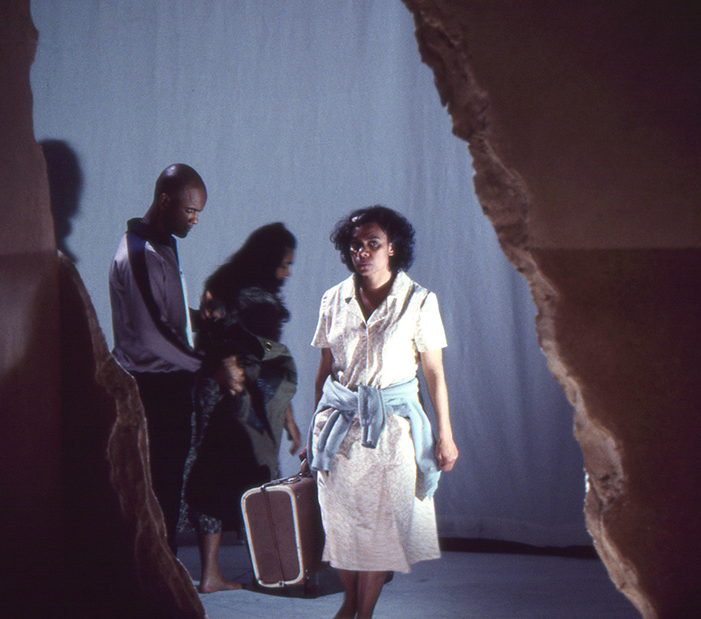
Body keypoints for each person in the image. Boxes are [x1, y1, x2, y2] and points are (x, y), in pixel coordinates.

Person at [307, 206, 459, 619]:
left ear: (392, 248)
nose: (363, 252)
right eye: (355, 244)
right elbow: (324, 373)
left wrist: (444, 435)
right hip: (339, 428)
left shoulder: (420, 301)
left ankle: (361, 612)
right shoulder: (332, 300)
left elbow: (434, 372)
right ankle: (351, 603)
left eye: (373, 243)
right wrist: (312, 434)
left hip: (392, 431)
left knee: (380, 530)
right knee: (340, 528)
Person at [109, 163, 236, 553]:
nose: (196, 220)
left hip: (171, 384)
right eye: (190, 211)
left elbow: (164, 315)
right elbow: (149, 333)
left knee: (167, 485)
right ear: (165, 202)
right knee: (154, 484)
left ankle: (161, 572)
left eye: (199, 212)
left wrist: (200, 317)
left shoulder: (164, 242)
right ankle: (154, 578)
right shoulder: (138, 252)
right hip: (150, 389)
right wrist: (210, 368)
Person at [181, 222, 303, 593]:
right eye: (284, 264)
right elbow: (261, 362)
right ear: (267, 261)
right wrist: (286, 418)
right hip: (241, 397)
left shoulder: (223, 288)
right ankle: (267, 569)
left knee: (213, 479)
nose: (287, 272)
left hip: (219, 393)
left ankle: (211, 574)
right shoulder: (255, 299)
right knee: (254, 478)